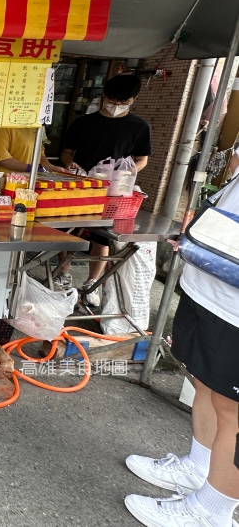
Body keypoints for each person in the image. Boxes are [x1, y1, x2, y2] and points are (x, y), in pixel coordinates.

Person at [123, 150, 239, 527]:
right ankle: (199, 467)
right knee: (205, 384)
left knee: (234, 412)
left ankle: (213, 511)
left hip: (235, 305)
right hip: (210, 286)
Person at [54, 74, 151, 298]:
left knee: (102, 237)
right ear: (104, 96)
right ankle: (62, 273)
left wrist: (125, 174)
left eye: (123, 102)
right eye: (112, 100)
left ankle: (91, 282)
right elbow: (67, 153)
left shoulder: (139, 127)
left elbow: (142, 159)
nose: (116, 106)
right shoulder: (83, 123)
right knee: (64, 232)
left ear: (133, 99)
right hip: (80, 186)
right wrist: (71, 165)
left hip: (114, 191)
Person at [0, 126, 65, 174]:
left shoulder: (35, 127)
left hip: (29, 181)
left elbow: (40, 154)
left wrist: (50, 168)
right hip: (5, 181)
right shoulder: (0, 128)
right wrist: (32, 169)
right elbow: (2, 159)